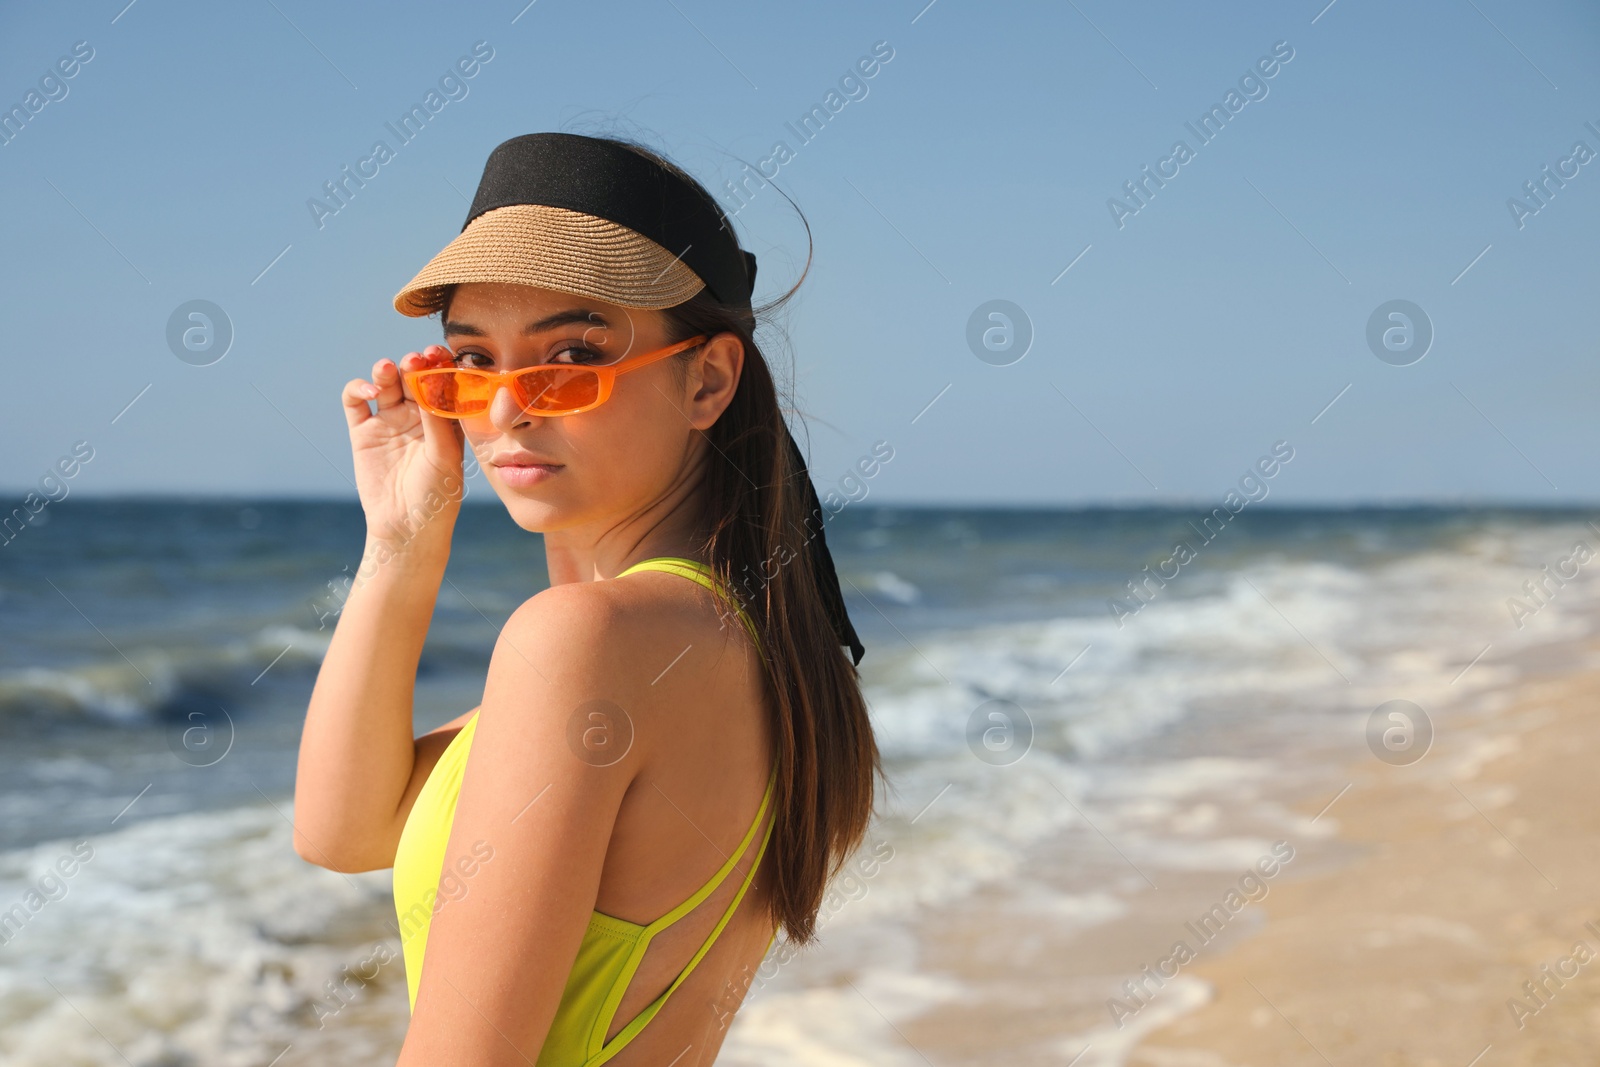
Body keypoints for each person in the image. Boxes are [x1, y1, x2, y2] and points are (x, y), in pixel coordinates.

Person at [292, 131, 881, 1066]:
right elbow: (342, 827)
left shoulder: (588, 641)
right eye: (472, 361)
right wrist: (401, 545)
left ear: (709, 379)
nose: (504, 410)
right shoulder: (734, 640)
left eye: (570, 353)